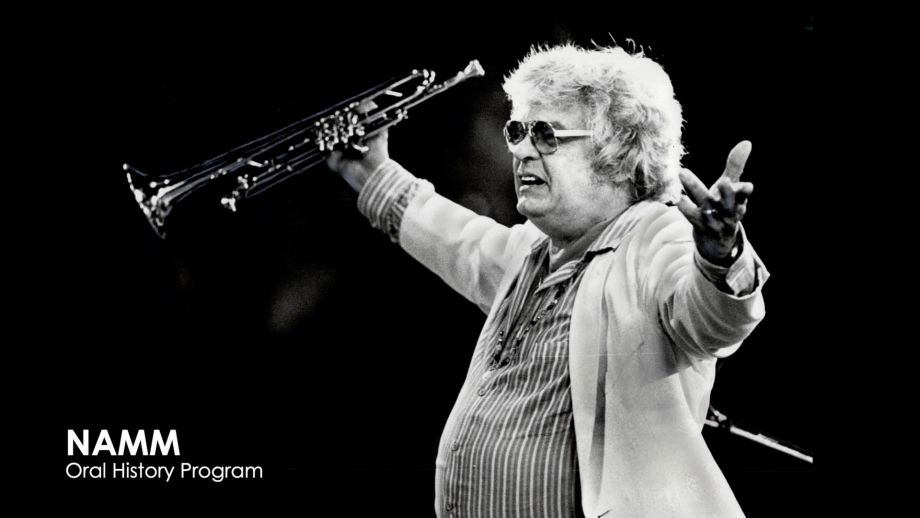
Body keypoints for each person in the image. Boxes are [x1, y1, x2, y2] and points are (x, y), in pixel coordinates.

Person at [328, 43, 768, 518]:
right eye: (517, 132)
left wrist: (720, 256)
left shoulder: (656, 239)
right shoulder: (537, 250)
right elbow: (454, 239)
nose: (520, 151)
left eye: (545, 134)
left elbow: (713, 323)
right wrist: (369, 170)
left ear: (619, 154)